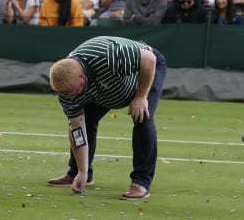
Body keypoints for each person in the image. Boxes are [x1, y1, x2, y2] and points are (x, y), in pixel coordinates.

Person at [47, 36, 167, 200]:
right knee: (86, 119)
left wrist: (141, 97)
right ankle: (80, 173)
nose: (72, 97)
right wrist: (82, 171)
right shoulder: (67, 92)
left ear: (82, 77)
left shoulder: (108, 56)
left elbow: (149, 59)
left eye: (75, 91)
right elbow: (76, 128)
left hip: (145, 72)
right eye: (67, 95)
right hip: (108, 89)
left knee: (142, 117)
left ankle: (141, 182)